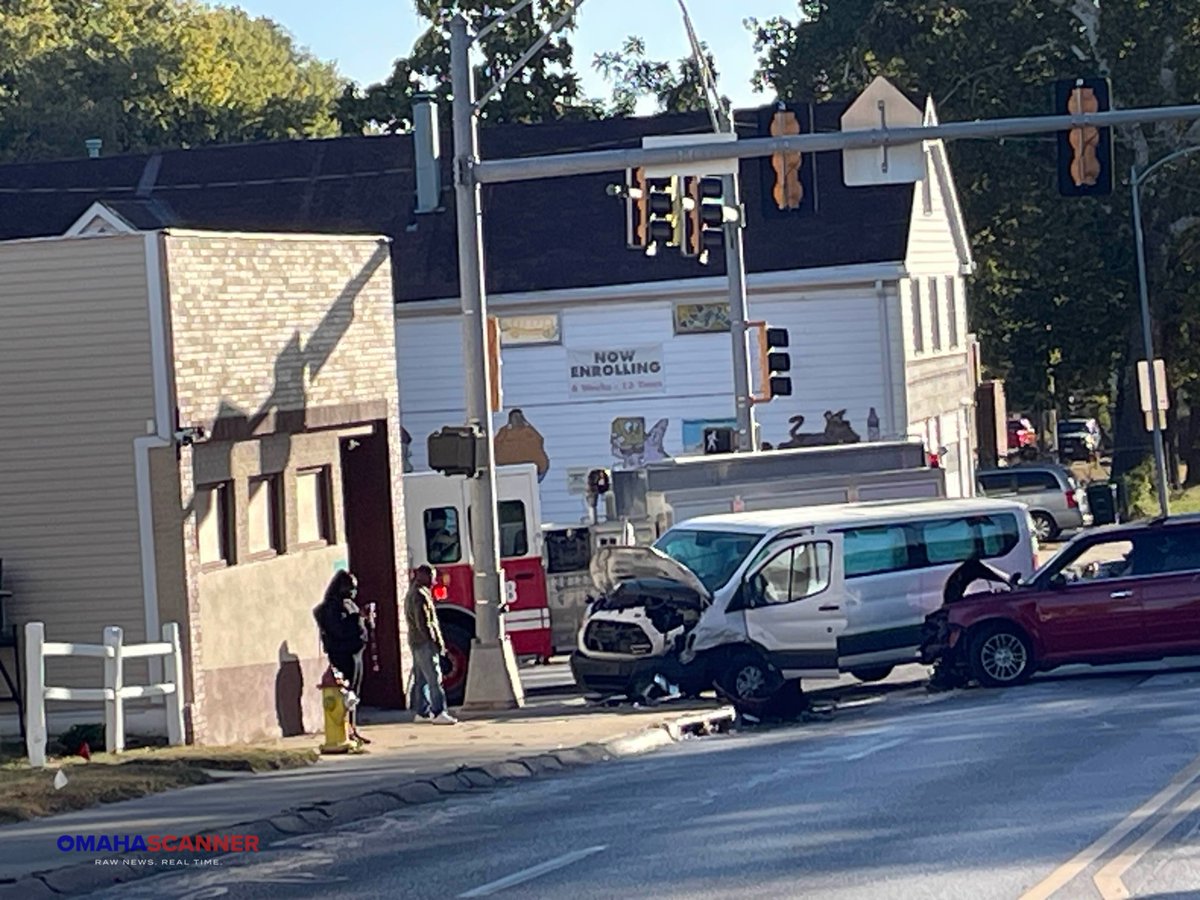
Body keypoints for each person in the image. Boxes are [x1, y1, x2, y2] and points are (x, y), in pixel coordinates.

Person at [314, 570, 371, 743]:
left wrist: (366, 619)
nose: (354, 592)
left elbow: (359, 626)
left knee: (354, 694)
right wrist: (356, 619)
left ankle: (353, 728)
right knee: (345, 694)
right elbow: (339, 630)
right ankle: (344, 729)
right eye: (351, 588)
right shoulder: (333, 606)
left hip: (356, 653)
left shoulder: (350, 604)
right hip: (343, 653)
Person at [404, 565, 457, 725]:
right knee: (435, 678)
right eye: (432, 577)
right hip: (424, 643)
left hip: (415, 641)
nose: (434, 581)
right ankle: (439, 711)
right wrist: (436, 642)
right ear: (423, 576)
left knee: (421, 679)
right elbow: (425, 623)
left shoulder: (412, 593)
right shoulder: (420, 596)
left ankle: (422, 712)